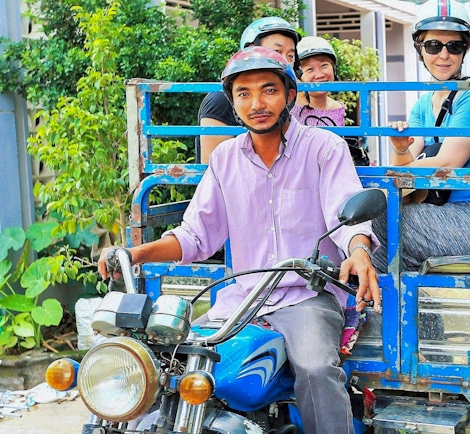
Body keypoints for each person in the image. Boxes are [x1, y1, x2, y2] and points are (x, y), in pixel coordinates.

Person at [99, 46, 380, 434]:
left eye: (268, 90)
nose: (257, 103)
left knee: (316, 368)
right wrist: (135, 253)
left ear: (289, 95)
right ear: (233, 103)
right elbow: (195, 235)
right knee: (173, 361)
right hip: (241, 299)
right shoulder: (225, 159)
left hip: (306, 295)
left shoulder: (323, 147)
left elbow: (345, 213)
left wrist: (360, 250)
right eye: (243, 93)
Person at [372, 0, 470, 273]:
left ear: (464, 50)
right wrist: (400, 148)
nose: (443, 55)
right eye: (433, 46)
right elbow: (406, 162)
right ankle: (414, 316)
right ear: (420, 48)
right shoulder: (421, 105)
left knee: (378, 219)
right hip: (449, 212)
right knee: (379, 257)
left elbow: (447, 161)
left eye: (454, 46)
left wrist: (390, 174)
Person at [196, 16, 301, 163]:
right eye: (276, 51)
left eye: (290, 55)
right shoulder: (219, 100)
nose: (284, 61)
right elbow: (212, 167)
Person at [293, 36, 370, 166]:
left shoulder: (338, 108)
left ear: (334, 69)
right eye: (310, 69)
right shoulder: (290, 107)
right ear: (298, 76)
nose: (319, 74)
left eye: (324, 66)